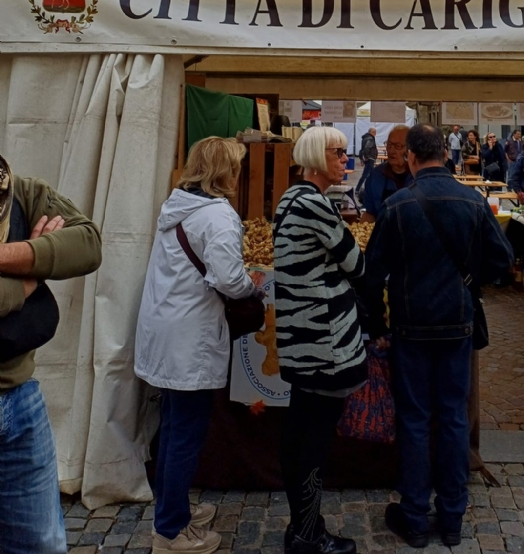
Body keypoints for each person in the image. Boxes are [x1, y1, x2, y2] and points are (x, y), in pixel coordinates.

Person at [366, 125, 513, 549]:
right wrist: (468, 281)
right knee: (451, 419)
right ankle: (451, 517)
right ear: (445, 156)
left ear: (411, 157)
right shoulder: (472, 201)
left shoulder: (397, 205)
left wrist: (376, 324)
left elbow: (372, 275)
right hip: (456, 324)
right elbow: (502, 260)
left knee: (414, 420)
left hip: (411, 325)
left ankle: (414, 516)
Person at [135, 137, 263, 554]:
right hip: (190, 336)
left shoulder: (176, 206)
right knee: (185, 432)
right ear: (225, 172)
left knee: (173, 427)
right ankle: (171, 531)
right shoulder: (217, 216)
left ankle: (172, 510)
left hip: (166, 329)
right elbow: (228, 278)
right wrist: (252, 286)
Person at [0, 153, 102, 554]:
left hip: (21, 399)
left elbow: (88, 243)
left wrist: (20, 254)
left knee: (41, 544)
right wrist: (28, 281)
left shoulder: (18, 189)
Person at [274, 126, 366, 554]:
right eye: (338, 151)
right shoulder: (314, 204)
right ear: (316, 154)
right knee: (311, 441)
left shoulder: (292, 198)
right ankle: (309, 536)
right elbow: (355, 263)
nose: (345, 158)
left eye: (346, 152)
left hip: (302, 340)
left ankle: (303, 528)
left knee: (300, 435)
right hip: (323, 344)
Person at [361, 125, 413, 223]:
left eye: (398, 146)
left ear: (410, 150)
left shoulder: (418, 176)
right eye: (389, 145)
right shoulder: (375, 176)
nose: (391, 151)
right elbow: (370, 213)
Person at [355, 127, 378, 199]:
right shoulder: (370, 139)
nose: (376, 134)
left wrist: (363, 158)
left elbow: (363, 148)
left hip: (369, 159)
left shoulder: (365, 138)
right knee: (366, 175)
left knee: (370, 175)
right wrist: (368, 157)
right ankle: (358, 189)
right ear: (372, 132)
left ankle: (370, 189)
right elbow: (367, 148)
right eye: (375, 132)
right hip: (370, 159)